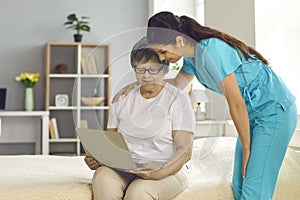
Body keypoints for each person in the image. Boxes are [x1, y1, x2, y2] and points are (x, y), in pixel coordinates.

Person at [113, 11, 298, 200]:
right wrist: (140, 82)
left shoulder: (212, 50)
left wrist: (247, 148)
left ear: (179, 41)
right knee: (239, 184)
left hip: (275, 111)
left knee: (254, 189)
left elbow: (236, 104)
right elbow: (177, 86)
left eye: (162, 52)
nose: (161, 59)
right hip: (253, 116)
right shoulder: (192, 60)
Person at [85, 37, 195, 200]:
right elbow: (111, 143)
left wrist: (158, 173)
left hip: (169, 168)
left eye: (153, 70)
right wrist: (98, 160)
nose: (146, 76)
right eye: (140, 70)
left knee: (138, 191)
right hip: (127, 168)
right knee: (102, 177)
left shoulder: (178, 99)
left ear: (164, 69)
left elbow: (185, 151)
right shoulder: (122, 98)